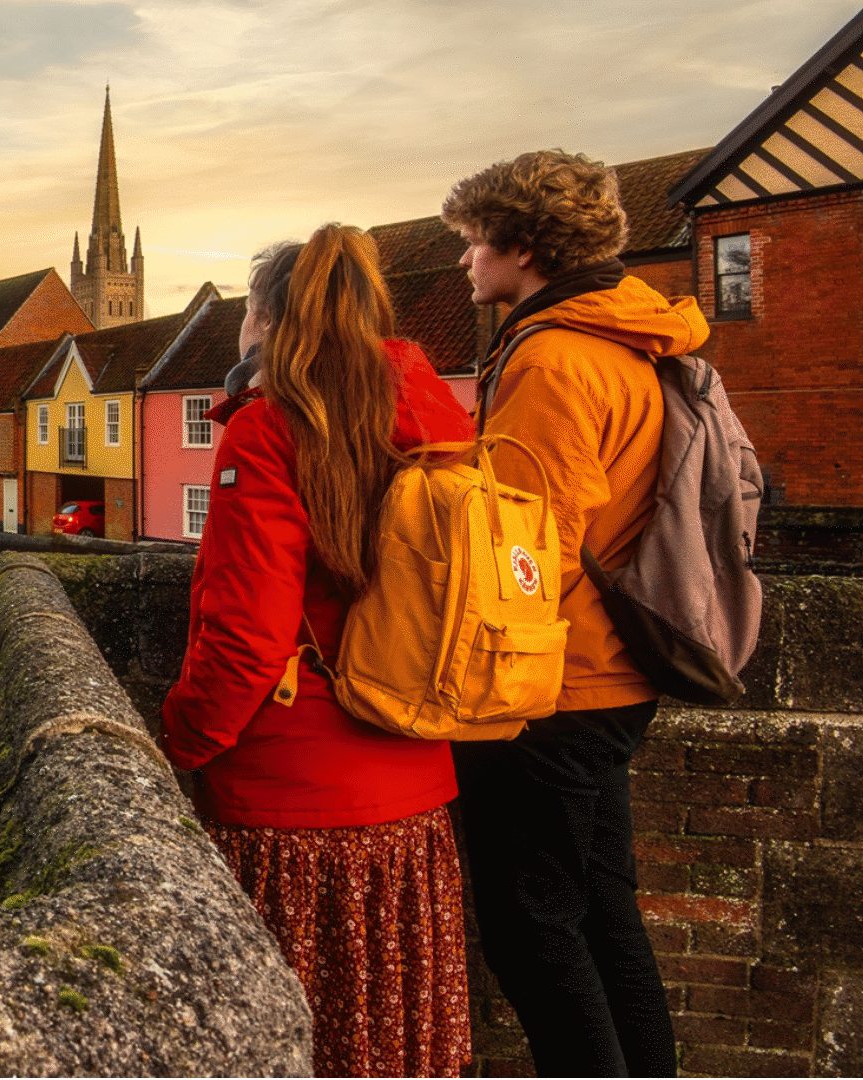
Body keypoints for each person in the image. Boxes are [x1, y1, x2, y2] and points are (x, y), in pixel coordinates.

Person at [161, 225, 475, 1077]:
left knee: (301, 1040)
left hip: (294, 813)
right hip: (415, 803)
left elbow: (245, 639)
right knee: (388, 1040)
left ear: (264, 320)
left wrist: (176, 745)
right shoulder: (436, 422)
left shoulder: (269, 432)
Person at [440, 150, 705, 1078]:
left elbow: (526, 548)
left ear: (521, 247)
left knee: (532, 928)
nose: (466, 264)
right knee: (601, 909)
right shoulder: (632, 339)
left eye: (474, 245)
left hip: (557, 686)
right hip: (616, 669)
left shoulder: (553, 357)